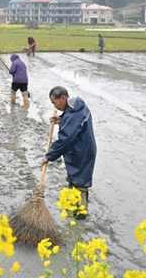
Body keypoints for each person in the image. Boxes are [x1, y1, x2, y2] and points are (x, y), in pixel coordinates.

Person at [41, 86, 97, 218]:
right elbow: (73, 122)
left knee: (80, 182)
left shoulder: (74, 114)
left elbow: (65, 140)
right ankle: (74, 205)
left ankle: (80, 215)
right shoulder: (75, 107)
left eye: (54, 102)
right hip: (81, 148)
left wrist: (49, 156)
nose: (55, 106)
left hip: (82, 153)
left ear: (63, 98)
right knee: (75, 179)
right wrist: (61, 120)